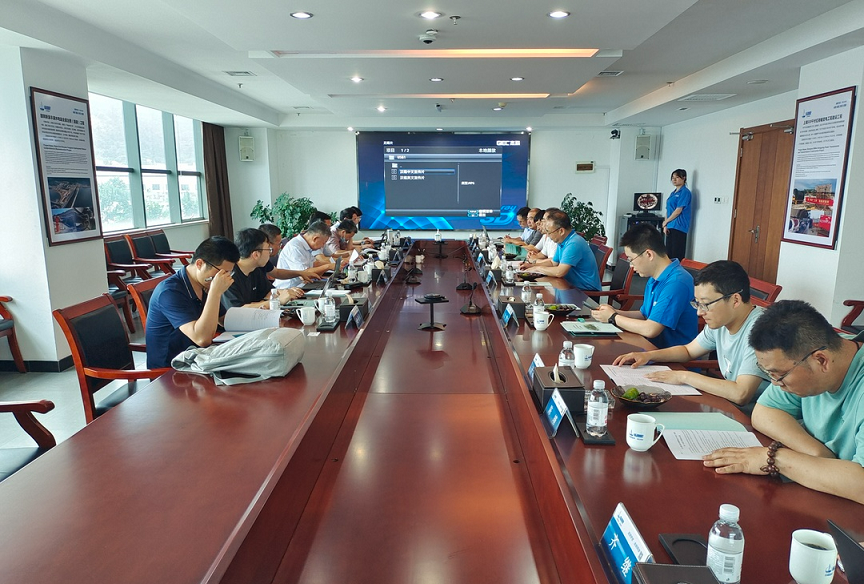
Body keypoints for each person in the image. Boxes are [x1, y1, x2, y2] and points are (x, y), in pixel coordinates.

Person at [703, 300, 864, 505]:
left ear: (821, 361)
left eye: (779, 375)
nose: (775, 383)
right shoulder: (815, 355)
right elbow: (764, 411)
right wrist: (817, 454)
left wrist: (774, 458)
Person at [613, 260, 770, 410]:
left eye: (705, 304)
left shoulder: (761, 330)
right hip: (727, 405)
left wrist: (683, 377)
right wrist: (648, 356)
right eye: (697, 303)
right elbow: (688, 351)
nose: (699, 312)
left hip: (753, 417)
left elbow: (740, 394)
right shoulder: (722, 321)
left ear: (735, 300)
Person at [592, 223, 697, 350]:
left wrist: (613, 317)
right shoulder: (655, 277)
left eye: (631, 259)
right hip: (649, 348)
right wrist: (614, 312)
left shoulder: (677, 282)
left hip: (670, 356)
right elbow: (644, 314)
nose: (631, 265)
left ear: (649, 254)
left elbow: (651, 329)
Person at [145, 236, 239, 368]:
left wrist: (258, 319)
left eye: (229, 273)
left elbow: (223, 319)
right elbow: (202, 339)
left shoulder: (203, 283)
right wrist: (215, 293)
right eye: (222, 272)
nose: (224, 277)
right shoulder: (169, 292)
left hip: (196, 358)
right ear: (200, 264)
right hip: (172, 369)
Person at [222, 228, 304, 309]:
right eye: (268, 249)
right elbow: (238, 310)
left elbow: (268, 292)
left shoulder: (255, 269)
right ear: (256, 255)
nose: (269, 253)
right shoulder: (229, 276)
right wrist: (278, 301)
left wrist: (287, 292)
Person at [524, 209, 600, 291]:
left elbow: (559, 272)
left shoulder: (574, 243)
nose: (548, 236)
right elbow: (553, 263)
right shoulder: (562, 241)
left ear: (561, 231)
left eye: (549, 232)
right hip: (569, 286)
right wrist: (532, 266)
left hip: (584, 291)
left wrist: (537, 269)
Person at [274, 220, 333, 289]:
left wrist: (332, 264)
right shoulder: (295, 247)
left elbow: (314, 266)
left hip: (302, 285)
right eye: (323, 243)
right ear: (315, 238)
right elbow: (303, 274)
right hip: (288, 288)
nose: (322, 246)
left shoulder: (308, 246)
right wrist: (328, 266)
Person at [663, 169, 692, 261]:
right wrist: (666, 225)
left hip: (679, 226)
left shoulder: (685, 192)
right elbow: (668, 210)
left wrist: (666, 222)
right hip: (670, 226)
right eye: (673, 178)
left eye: (677, 177)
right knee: (669, 254)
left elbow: (678, 210)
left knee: (677, 254)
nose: (674, 180)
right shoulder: (673, 193)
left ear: (684, 178)